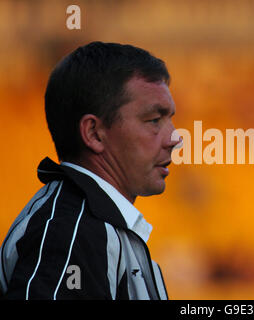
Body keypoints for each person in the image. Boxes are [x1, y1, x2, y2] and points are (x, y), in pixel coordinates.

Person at [0, 41, 180, 299]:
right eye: (154, 120)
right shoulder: (73, 234)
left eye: (170, 119)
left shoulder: (95, 226)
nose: (174, 138)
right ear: (94, 133)